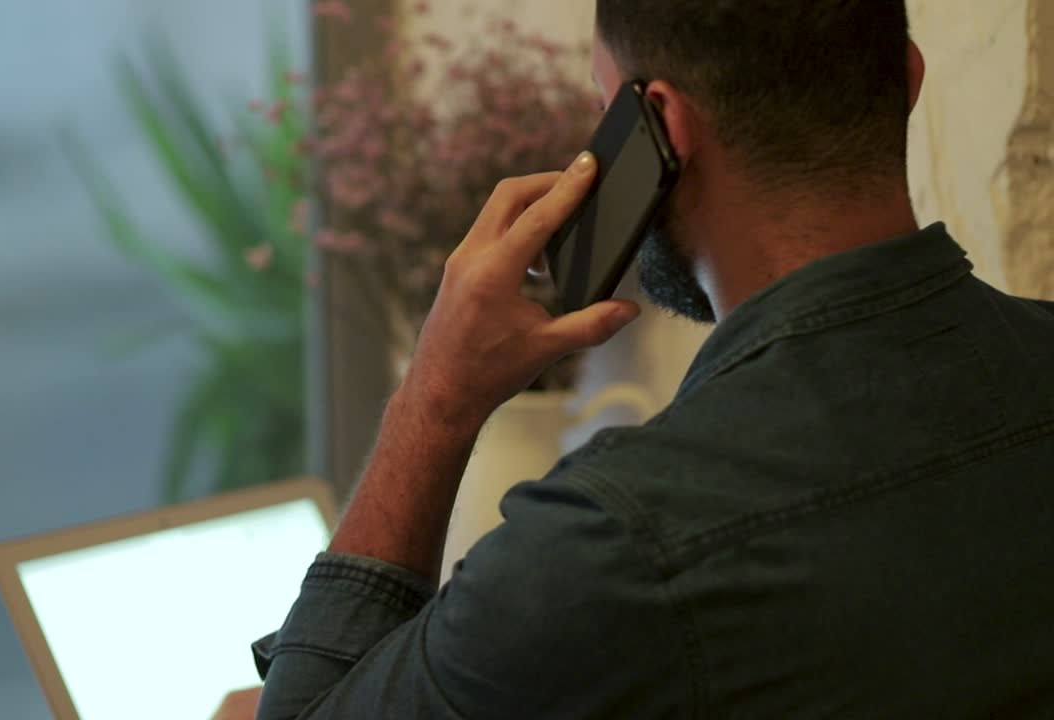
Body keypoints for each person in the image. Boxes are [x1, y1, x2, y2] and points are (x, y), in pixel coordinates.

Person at [244, 1, 1054, 717]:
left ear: (660, 124)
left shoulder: (617, 542)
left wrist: (436, 398)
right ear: (908, 79)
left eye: (606, 109)